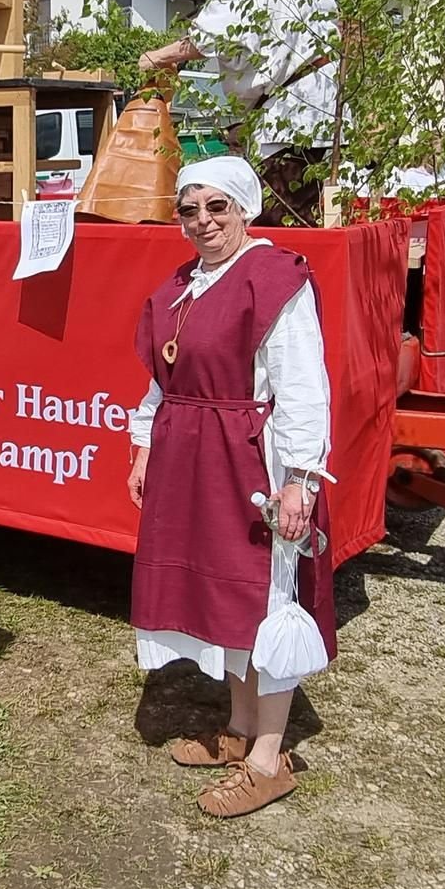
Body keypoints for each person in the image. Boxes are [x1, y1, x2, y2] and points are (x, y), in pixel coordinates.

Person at [127, 155, 336, 819]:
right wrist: (142, 445)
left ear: (246, 208)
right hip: (190, 454)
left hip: (252, 459)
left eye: (218, 207)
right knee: (223, 597)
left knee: (264, 595)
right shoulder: (184, 284)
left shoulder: (274, 279)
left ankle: (268, 760)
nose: (203, 221)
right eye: (190, 210)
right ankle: (240, 729)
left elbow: (303, 385)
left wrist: (301, 479)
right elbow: (163, 381)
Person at [140, 0, 339, 226]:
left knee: (280, 225)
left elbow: (212, 36)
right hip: (315, 110)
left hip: (290, 120)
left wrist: (156, 58)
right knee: (310, 218)